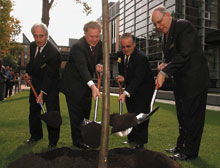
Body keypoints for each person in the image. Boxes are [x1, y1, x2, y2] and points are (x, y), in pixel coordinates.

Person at [151, 6, 209, 160]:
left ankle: (190, 151)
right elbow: (172, 57)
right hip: (181, 83)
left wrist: (164, 72)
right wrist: (165, 64)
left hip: (194, 81)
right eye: (155, 24)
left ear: (168, 15)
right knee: (182, 116)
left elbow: (185, 54)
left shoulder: (184, 27)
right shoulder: (166, 35)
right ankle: (181, 145)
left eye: (159, 22)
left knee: (192, 118)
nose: (157, 26)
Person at [61, 21, 103, 149]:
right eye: (91, 36)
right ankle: (78, 141)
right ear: (85, 34)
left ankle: (85, 136)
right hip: (73, 85)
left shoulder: (99, 44)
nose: (95, 39)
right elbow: (82, 68)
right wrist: (92, 86)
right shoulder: (78, 47)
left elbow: (100, 56)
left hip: (86, 85)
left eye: (97, 36)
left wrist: (99, 63)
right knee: (76, 115)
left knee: (85, 112)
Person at [24, 23, 61, 148]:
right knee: (33, 112)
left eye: (41, 36)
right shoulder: (33, 46)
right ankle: (36, 135)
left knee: (52, 114)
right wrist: (28, 73)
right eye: (35, 36)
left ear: (47, 36)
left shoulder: (54, 53)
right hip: (35, 85)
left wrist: (42, 93)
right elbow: (32, 63)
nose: (38, 39)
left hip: (50, 88)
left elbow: (50, 76)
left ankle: (53, 141)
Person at [117, 33, 155, 149]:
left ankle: (140, 142)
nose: (126, 49)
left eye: (128, 46)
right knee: (131, 114)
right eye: (123, 47)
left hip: (143, 90)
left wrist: (125, 92)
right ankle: (131, 138)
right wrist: (122, 77)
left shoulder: (141, 58)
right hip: (130, 89)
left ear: (134, 44)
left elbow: (138, 78)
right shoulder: (120, 55)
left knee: (140, 116)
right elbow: (123, 72)